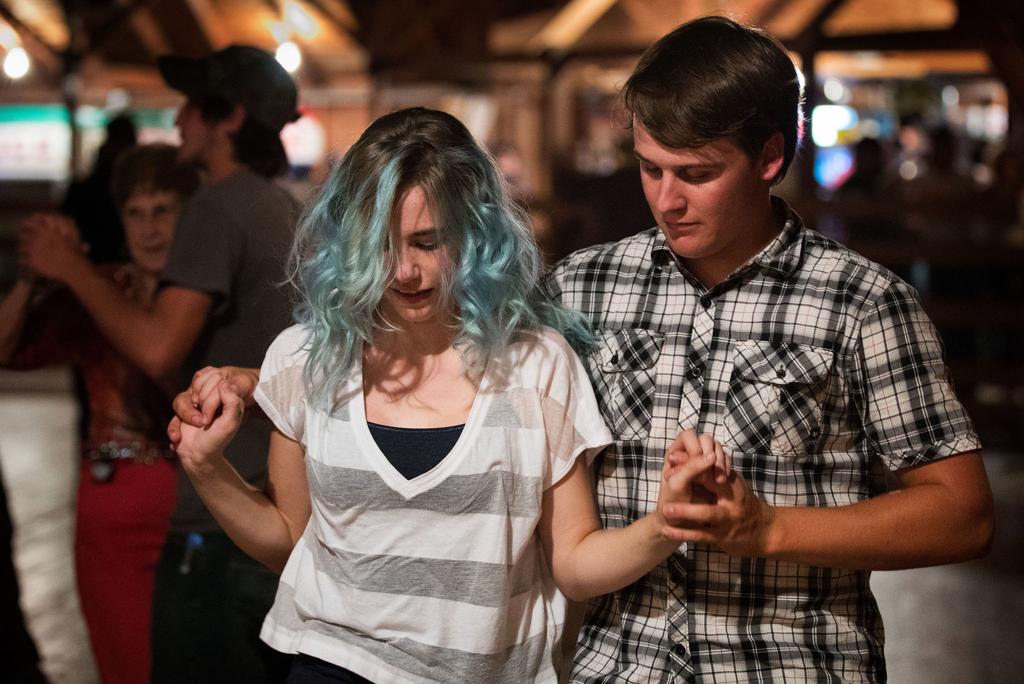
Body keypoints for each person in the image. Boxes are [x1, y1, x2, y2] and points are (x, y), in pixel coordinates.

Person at [170, 107, 729, 683]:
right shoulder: (307, 356)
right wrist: (204, 465)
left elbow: (575, 563)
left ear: (475, 232)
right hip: (332, 661)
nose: (404, 271)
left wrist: (666, 524)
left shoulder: (535, 364)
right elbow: (289, 540)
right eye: (380, 244)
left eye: (427, 241)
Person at [543, 16, 994, 682]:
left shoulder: (863, 302)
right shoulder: (582, 288)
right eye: (650, 169)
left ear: (770, 159)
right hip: (619, 667)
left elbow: (964, 514)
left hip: (790, 665)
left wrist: (768, 528)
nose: (667, 200)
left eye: (696, 173)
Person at [20, 45, 300, 683]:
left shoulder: (214, 206)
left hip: (218, 521)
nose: (178, 120)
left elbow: (156, 347)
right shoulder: (283, 206)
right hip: (275, 513)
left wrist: (71, 270)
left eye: (191, 106)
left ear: (226, 117)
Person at [3, 144, 200, 684]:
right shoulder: (103, 285)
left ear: (189, 213)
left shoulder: (202, 292)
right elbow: (5, 350)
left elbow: (160, 360)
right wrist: (31, 278)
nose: (149, 228)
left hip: (194, 507)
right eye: (135, 213)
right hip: (110, 510)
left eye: (163, 210)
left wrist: (72, 270)